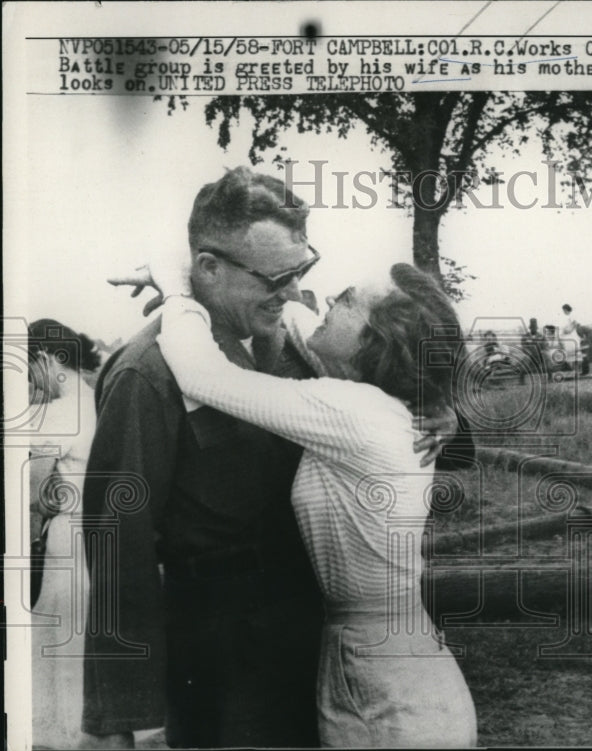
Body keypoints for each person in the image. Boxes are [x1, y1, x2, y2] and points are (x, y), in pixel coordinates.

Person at [82, 168, 464, 749]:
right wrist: (119, 713)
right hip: (220, 656)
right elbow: (118, 542)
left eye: (301, 271)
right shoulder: (148, 373)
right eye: (277, 277)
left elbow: (396, 392)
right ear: (209, 269)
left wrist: (445, 416)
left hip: (318, 642)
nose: (293, 292)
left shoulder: (297, 343)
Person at [149, 259, 477, 747]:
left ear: (374, 338)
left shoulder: (351, 411)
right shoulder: (378, 401)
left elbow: (200, 374)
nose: (323, 301)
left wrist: (177, 283)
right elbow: (299, 321)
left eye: (344, 298)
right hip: (395, 660)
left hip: (377, 674)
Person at [27, 319, 100, 750]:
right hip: (92, 535)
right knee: (79, 633)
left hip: (68, 537)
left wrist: (40, 499)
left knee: (61, 635)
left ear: (47, 358)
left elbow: (30, 485)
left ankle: (65, 734)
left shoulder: (61, 410)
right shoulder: (94, 399)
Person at [519, 317, 547, 385]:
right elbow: (523, 347)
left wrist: (543, 351)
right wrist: (527, 352)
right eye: (532, 328)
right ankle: (521, 379)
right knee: (525, 359)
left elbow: (545, 345)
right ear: (530, 328)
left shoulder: (541, 336)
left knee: (546, 356)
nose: (533, 329)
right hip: (530, 356)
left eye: (534, 327)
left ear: (536, 328)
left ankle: (550, 376)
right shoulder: (525, 337)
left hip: (539, 355)